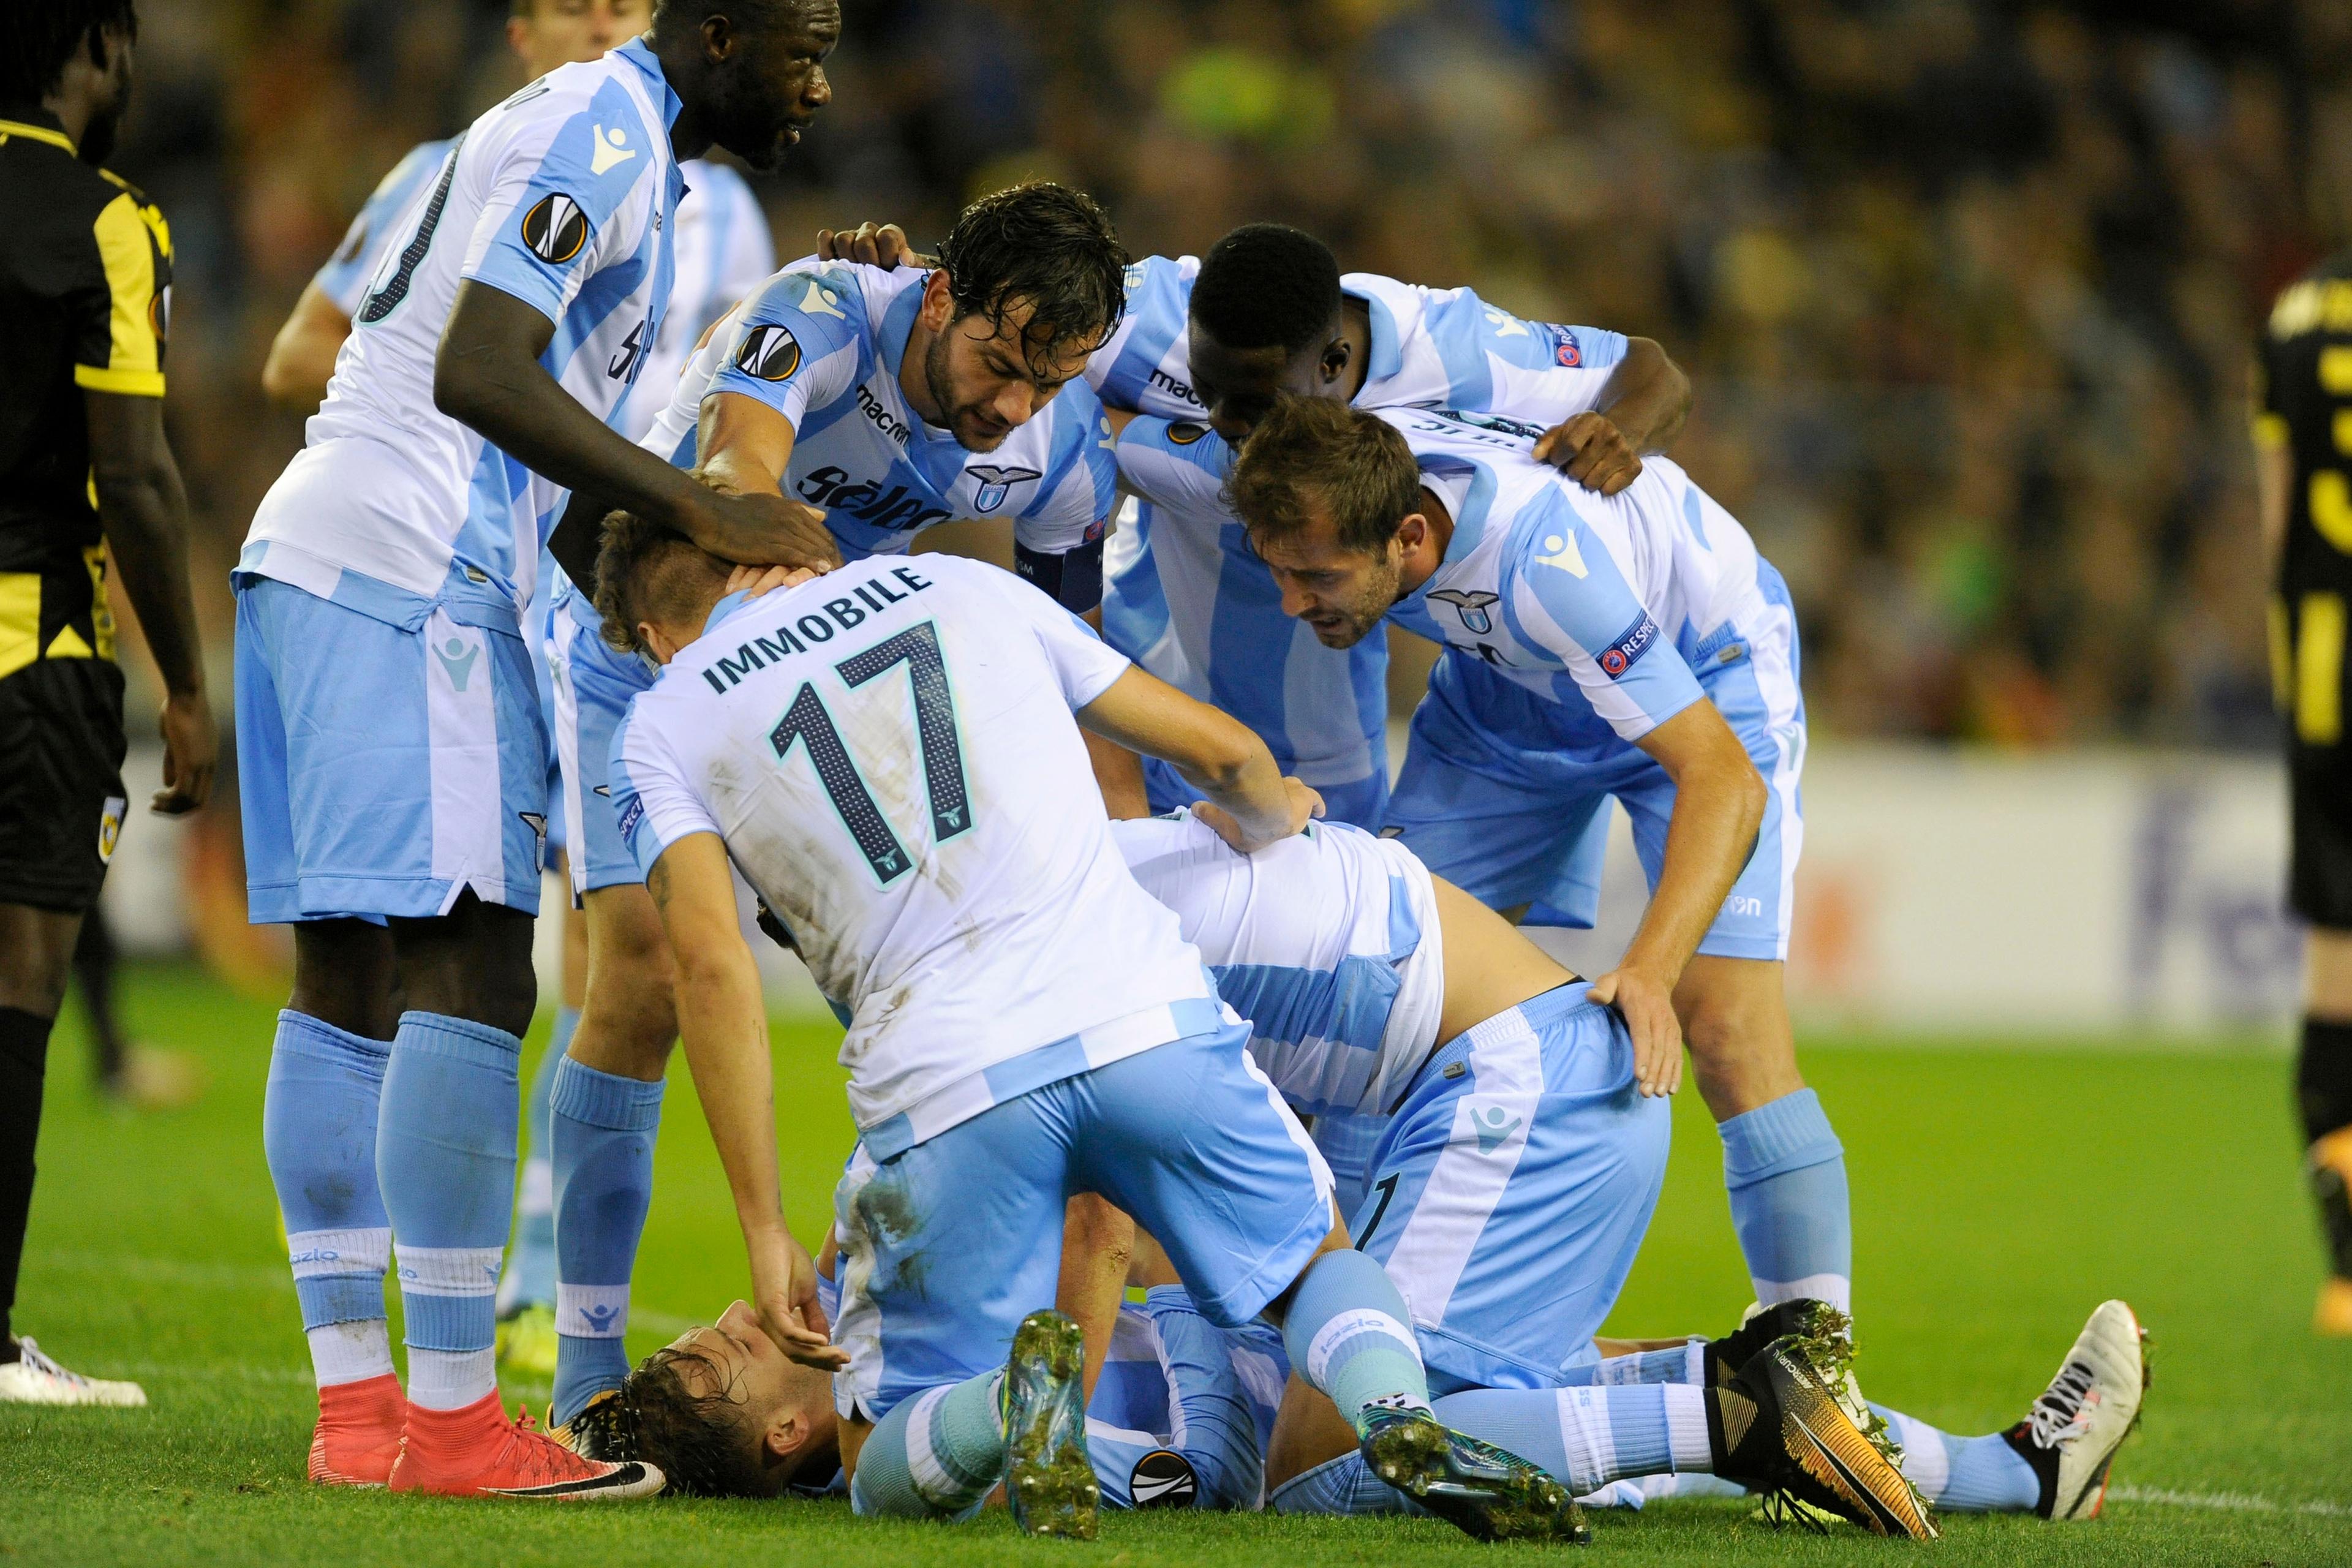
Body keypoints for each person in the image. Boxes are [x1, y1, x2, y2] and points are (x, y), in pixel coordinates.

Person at [592, 518, 1586, 1542]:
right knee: (1314, 1266)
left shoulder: (668, 715)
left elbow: (710, 965)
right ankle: (1395, 1414)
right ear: (785, 545)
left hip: (946, 1079)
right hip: (1142, 1015)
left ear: (656, 636)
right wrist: (1268, 814)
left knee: (870, 1454)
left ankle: (1004, 1406)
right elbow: (1222, 749)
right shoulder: (958, 585)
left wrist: (764, 1226)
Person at [236, 0, 840, 1499]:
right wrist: (707, 511)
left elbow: (512, 422)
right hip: (411, 558)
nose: (821, 85)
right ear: (715, 35)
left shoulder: (590, 134)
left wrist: (646, 591)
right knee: (476, 964)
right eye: (804, 47)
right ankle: (452, 1422)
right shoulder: (605, 126)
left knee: (348, 975)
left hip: (324, 542)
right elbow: (480, 373)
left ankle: (362, 1409)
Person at [529, 181, 1124, 1432]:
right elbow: (739, 469)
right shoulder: (820, 312)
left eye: (1049, 384)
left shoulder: (1054, 448)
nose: (1013, 406)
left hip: (846, 697)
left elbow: (1071, 626)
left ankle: (919, 1340)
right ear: (944, 293)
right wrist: (832, 586)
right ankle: (584, 1365)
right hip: (660, 647)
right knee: (639, 972)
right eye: (1001, 363)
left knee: (937, 990)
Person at [1176, 398, 1855, 1385]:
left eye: (1315, 577)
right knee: (1381, 997)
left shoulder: (1541, 565)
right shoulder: (1361, 468)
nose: (1291, 602)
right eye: (1279, 571)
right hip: (1508, 701)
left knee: (1724, 1029)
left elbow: (1725, 781)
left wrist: (1649, 973)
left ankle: (1823, 1374)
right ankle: (1345, 1344)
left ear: (1411, 537)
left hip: (1705, 679)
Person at [815, 219, 1692, 835]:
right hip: (1149, 671)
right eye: (1209, 391)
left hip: (1319, 707)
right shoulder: (1147, 313)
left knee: (1318, 1008)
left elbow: (1648, 369)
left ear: (1337, 365)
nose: (1231, 419)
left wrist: (1627, 430)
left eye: (1255, 400)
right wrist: (886, 278)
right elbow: (998, 315)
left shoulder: (1453, 348)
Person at [0, 0, 216, 1407]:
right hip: (32, 649)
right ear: (94, 44)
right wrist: (187, 687)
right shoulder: (104, 221)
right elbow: (133, 473)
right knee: (21, 981)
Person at [2253, 256, 2352, 1336]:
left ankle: (2348, 1272)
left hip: (2328, 676)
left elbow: (2276, 523)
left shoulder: (2294, 316)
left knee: (2340, 956)